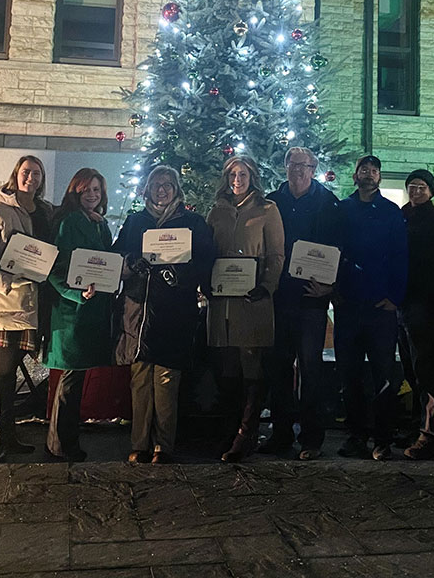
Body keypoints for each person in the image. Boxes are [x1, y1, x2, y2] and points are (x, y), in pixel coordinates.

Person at [114, 165, 214, 464]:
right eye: (156, 184)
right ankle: (139, 443)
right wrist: (132, 263)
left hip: (174, 310)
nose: (161, 189)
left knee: (167, 379)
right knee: (140, 378)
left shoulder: (192, 222)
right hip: (140, 310)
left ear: (177, 189)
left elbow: (206, 259)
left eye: (168, 184)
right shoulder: (135, 221)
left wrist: (183, 276)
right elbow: (117, 255)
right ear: (146, 189)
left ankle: (163, 445)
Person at [0, 155, 53, 463]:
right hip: (5, 305)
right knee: (4, 370)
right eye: (26, 172)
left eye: (37, 173)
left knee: (12, 368)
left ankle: (9, 437)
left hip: (35, 303)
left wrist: (96, 215)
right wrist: (9, 282)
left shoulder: (45, 210)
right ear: (15, 175)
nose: (31, 177)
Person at [261, 147, 341, 460]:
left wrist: (330, 285)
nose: (299, 171)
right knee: (279, 369)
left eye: (305, 166)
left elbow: (338, 246)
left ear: (314, 168)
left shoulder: (328, 202)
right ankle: (281, 435)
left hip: (311, 299)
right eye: (293, 165)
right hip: (279, 297)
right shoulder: (272, 201)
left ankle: (311, 439)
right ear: (285, 167)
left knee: (311, 369)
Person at [206, 156, 285, 462]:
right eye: (232, 174)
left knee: (251, 369)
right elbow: (208, 252)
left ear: (252, 176)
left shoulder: (268, 210)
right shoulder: (217, 211)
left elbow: (276, 254)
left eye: (242, 174)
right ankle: (228, 430)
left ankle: (246, 433)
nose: (237, 179)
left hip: (253, 302)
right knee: (226, 370)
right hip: (222, 303)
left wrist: (266, 286)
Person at [334, 155, 408, 461]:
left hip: (380, 308)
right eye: (364, 169)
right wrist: (332, 289)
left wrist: (396, 297)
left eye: (374, 170)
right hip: (348, 305)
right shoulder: (341, 210)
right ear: (355, 176)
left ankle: (382, 438)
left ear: (379, 178)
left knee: (383, 376)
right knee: (349, 375)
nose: (369, 174)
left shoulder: (391, 213)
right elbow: (330, 252)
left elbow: (401, 256)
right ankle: (356, 435)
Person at [43, 168, 114, 461]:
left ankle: (64, 440)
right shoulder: (69, 221)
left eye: (96, 190)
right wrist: (76, 295)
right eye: (86, 190)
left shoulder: (99, 223)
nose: (92, 196)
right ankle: (60, 444)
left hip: (92, 311)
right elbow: (55, 270)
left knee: (76, 379)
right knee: (70, 381)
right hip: (72, 312)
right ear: (76, 192)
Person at [399, 169, 434, 460]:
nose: (416, 191)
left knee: (425, 369)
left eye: (421, 187)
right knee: (411, 369)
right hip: (402, 303)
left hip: (422, 305)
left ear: (430, 191)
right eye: (412, 186)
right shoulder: (403, 215)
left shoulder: (433, 222)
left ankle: (429, 434)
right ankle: (416, 425)